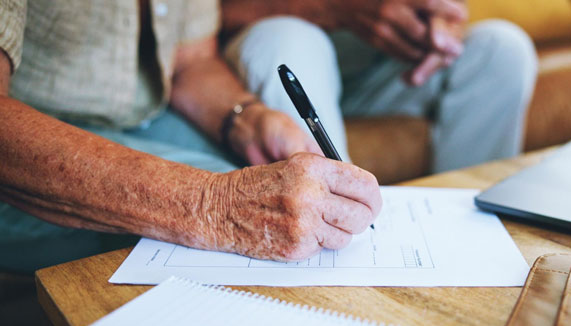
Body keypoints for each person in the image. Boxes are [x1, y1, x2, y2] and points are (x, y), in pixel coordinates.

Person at [0, 0, 382, 272]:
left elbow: (191, 63)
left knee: (280, 193)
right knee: (255, 214)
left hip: (148, 117)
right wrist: (214, 206)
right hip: (31, 140)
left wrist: (248, 119)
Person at [220, 0, 538, 173]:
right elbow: (199, 16)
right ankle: (341, 214)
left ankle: (464, 237)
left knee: (503, 48)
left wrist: (438, 25)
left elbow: (449, 9)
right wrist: (334, 7)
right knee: (289, 40)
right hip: (272, 46)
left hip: (382, 71)